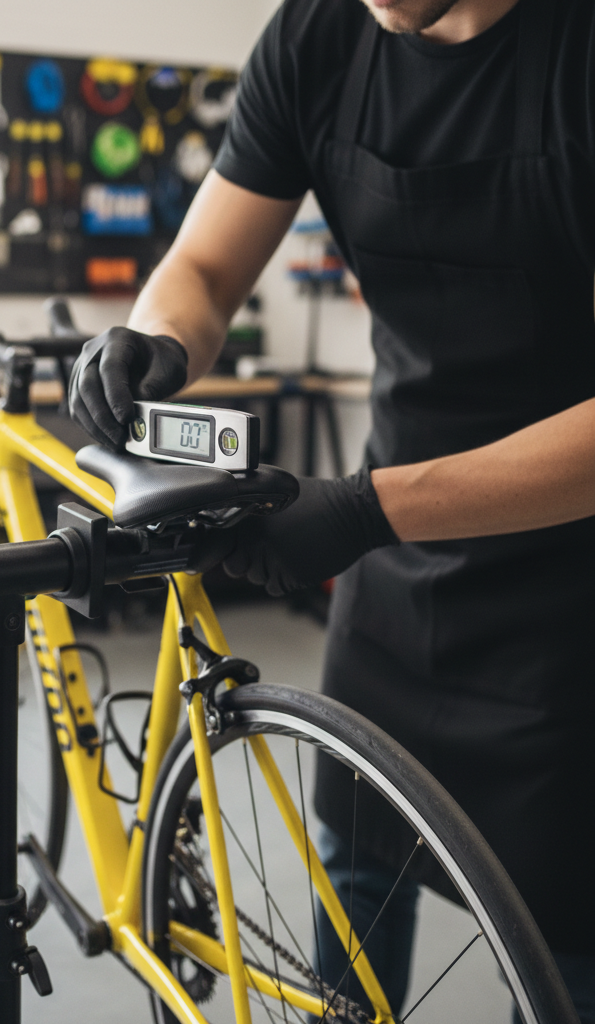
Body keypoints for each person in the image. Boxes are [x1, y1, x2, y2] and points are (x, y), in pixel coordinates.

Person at [67, 0, 595, 1019]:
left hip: (566, 584)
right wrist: (160, 341)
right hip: (393, 559)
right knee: (353, 872)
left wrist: (360, 510)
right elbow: (208, 267)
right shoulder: (316, 38)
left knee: (565, 939)